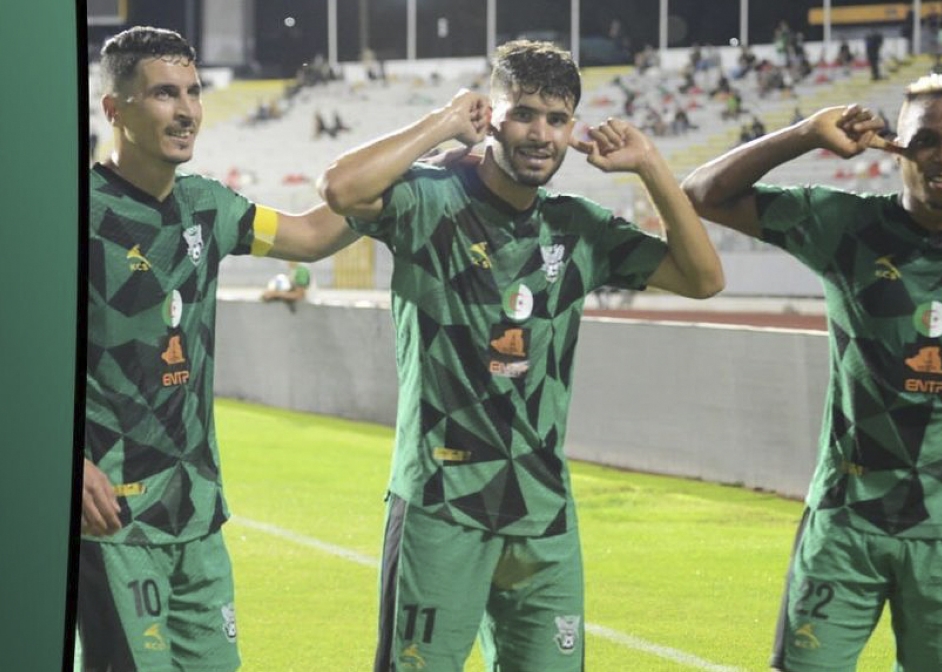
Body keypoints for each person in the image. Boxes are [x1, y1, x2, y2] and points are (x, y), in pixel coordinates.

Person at [319, 39, 724, 672]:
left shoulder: (578, 227)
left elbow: (703, 279)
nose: (542, 134)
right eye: (525, 113)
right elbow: (340, 188)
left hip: (543, 513)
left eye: (557, 119)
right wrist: (443, 123)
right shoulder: (428, 200)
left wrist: (651, 167)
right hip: (441, 505)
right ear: (493, 116)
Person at [681, 74, 942, 671]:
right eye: (926, 140)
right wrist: (806, 134)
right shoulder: (844, 226)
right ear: (894, 147)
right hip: (847, 522)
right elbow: (700, 192)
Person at [80, 26, 358, 672]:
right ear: (115, 110)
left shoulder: (211, 209)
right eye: (163, 94)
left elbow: (314, 235)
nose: (186, 111)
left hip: (197, 514)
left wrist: (428, 158)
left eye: (194, 92)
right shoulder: (75, 217)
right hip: (115, 519)